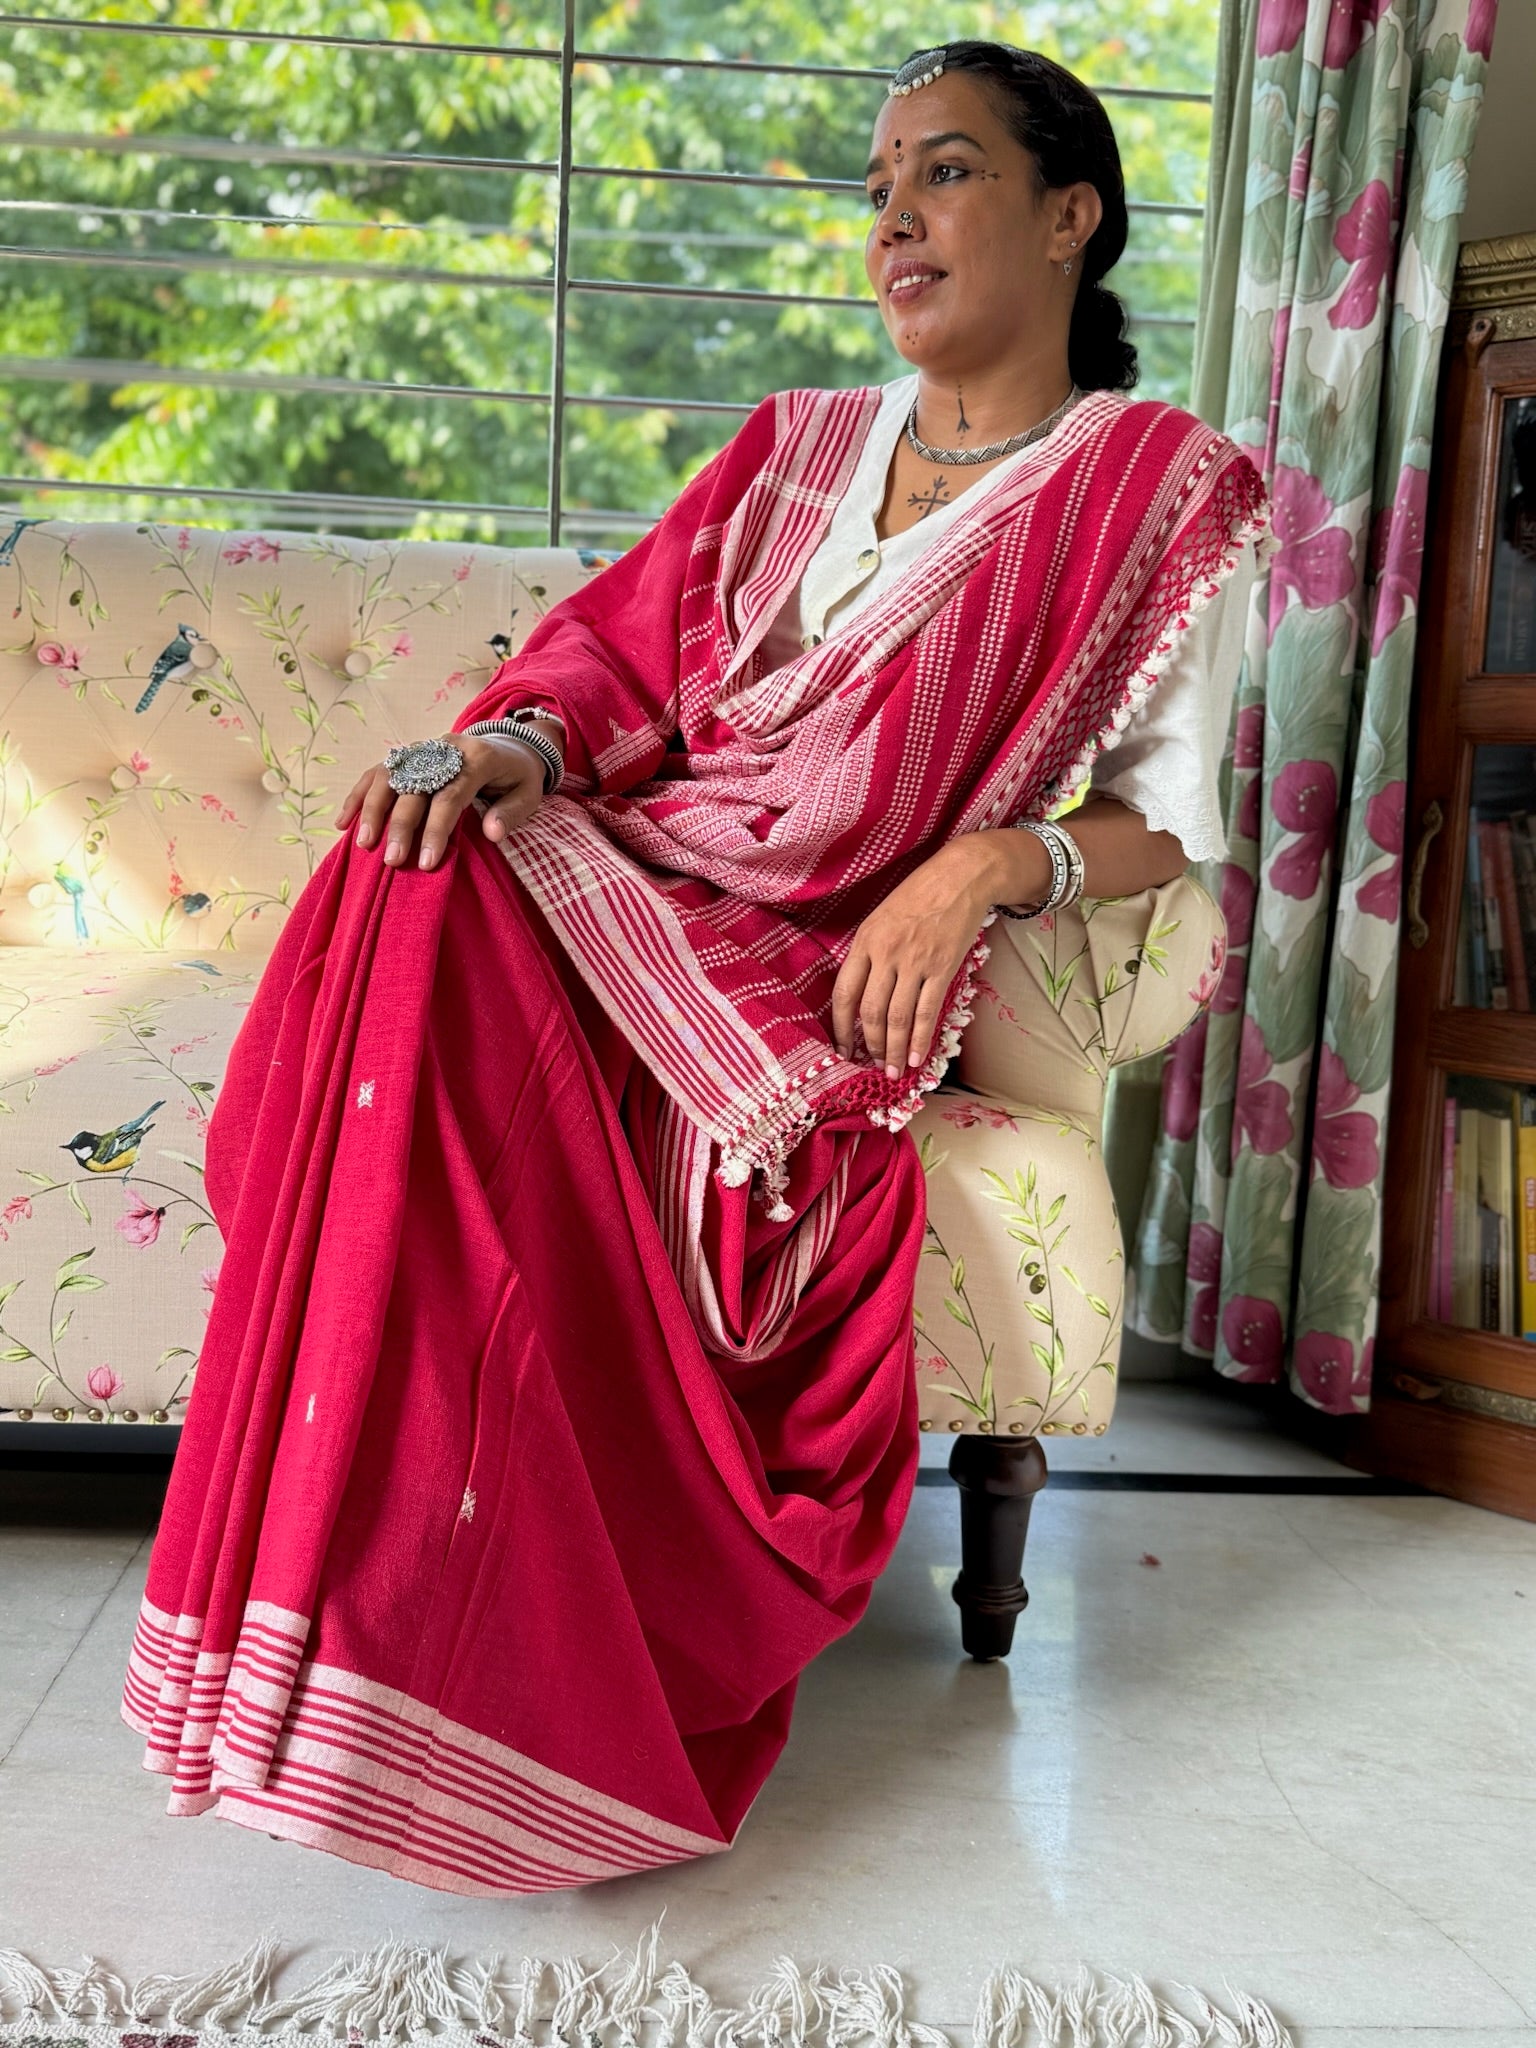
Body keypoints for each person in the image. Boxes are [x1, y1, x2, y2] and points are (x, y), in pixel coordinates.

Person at [121, 39, 1270, 1895]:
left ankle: (513, 1697)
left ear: (1074, 216)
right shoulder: (795, 445)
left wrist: (982, 864)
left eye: (949, 171)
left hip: (800, 965)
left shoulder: (1149, 490)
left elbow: (1169, 826)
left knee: (446, 914)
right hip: (650, 867)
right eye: (880, 179)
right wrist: (506, 748)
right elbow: (618, 664)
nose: (894, 214)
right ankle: (332, 1651)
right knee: (411, 856)